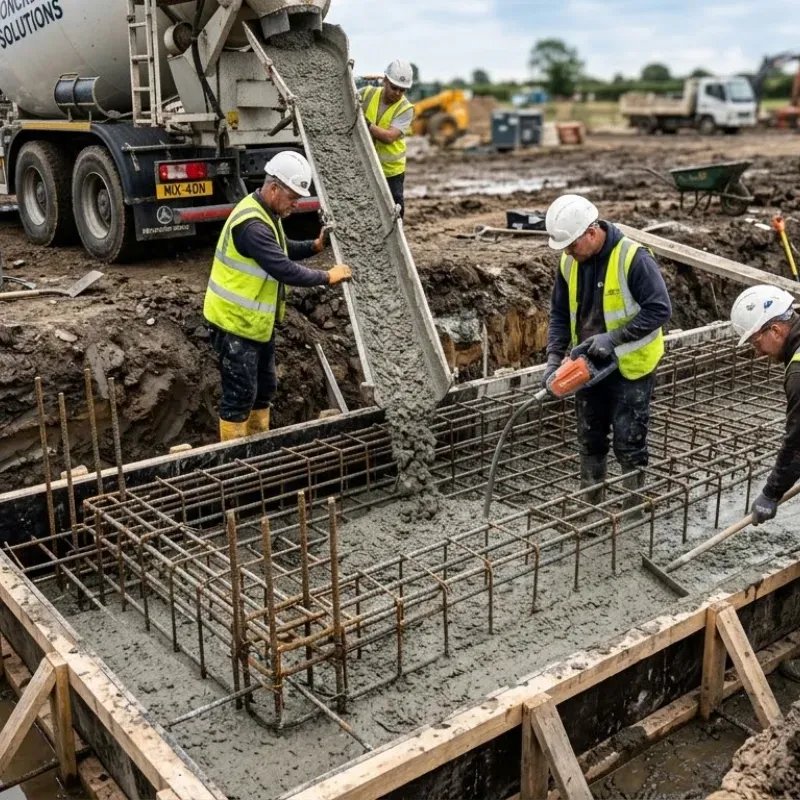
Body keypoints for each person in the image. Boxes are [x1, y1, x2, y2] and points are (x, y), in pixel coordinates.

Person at [204, 150, 352, 442]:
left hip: (256, 324)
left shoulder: (267, 212)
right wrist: (328, 276)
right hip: (233, 323)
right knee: (240, 395)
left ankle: (260, 447)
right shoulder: (252, 226)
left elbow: (281, 248)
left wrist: (313, 246)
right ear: (274, 189)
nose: (296, 205)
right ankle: (234, 461)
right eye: (293, 198)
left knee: (264, 389)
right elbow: (284, 268)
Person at [544, 194, 672, 503]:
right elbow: (559, 314)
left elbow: (660, 310)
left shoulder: (633, 258)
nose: (570, 254)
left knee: (629, 441)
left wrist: (613, 338)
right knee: (590, 437)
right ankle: (590, 502)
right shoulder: (569, 261)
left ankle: (632, 507)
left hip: (631, 366)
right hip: (589, 364)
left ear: (591, 231)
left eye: (573, 246)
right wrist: (552, 359)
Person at [730, 284, 800, 525]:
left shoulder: (798, 374)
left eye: (756, 342)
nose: (758, 352)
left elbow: (797, 445)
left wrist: (771, 494)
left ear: (776, 330)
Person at [360, 59, 415, 218]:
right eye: (394, 87)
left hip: (391, 172)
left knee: (394, 212)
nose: (398, 93)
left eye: (402, 90)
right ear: (385, 80)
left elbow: (389, 137)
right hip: (366, 166)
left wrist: (365, 123)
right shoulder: (367, 93)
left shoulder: (406, 108)